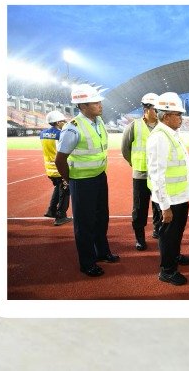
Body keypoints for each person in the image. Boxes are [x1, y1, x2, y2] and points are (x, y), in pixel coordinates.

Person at [54, 84, 120, 277]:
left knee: (101, 218)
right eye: (95, 102)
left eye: (99, 101)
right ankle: (87, 262)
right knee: (84, 224)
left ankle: (102, 252)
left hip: (99, 177)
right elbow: (60, 159)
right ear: (82, 106)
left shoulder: (98, 122)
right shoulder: (72, 128)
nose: (100, 105)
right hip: (82, 182)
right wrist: (71, 180)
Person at [146, 92, 189, 286]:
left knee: (177, 232)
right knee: (168, 234)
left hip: (179, 195)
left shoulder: (171, 133)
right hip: (170, 199)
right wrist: (164, 206)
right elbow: (157, 173)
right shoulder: (160, 137)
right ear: (166, 116)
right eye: (178, 114)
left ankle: (174, 256)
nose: (181, 118)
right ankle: (167, 270)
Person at [119, 92, 165, 248]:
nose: (158, 112)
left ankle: (157, 230)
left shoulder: (163, 126)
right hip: (141, 175)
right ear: (146, 108)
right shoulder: (134, 126)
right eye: (155, 109)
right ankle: (139, 238)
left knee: (160, 206)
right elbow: (125, 149)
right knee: (140, 208)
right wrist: (135, 163)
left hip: (159, 175)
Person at [40, 109, 71, 226]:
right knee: (65, 191)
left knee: (58, 188)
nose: (65, 123)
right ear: (58, 122)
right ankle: (60, 216)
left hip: (49, 168)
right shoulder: (61, 134)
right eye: (63, 121)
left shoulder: (42, 134)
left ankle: (51, 210)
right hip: (60, 168)